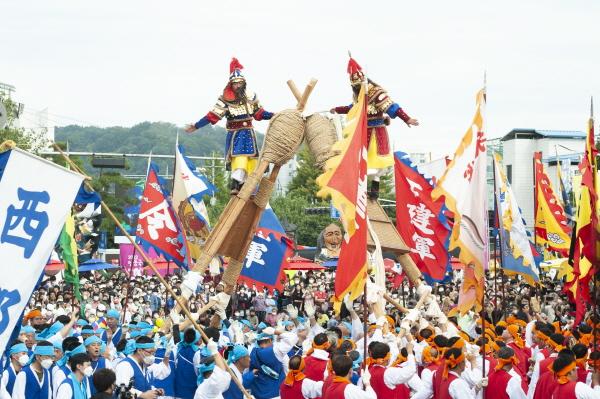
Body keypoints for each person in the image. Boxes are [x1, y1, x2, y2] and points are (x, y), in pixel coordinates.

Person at [330, 55, 419, 199]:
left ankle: (372, 191)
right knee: (364, 162)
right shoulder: (359, 97)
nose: (357, 88)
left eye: (358, 85)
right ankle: (368, 191)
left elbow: (392, 107)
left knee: (376, 164)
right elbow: (352, 108)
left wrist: (407, 119)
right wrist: (337, 109)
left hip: (377, 133)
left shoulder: (376, 93)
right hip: (363, 133)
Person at [185, 57, 273, 193]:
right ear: (231, 84)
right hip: (236, 135)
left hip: (249, 134)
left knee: (252, 159)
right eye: (235, 83)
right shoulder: (225, 100)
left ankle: (249, 184)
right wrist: (196, 126)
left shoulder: (250, 97)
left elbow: (260, 114)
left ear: (244, 83)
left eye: (240, 83)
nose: (238, 85)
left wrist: (276, 115)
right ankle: (236, 183)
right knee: (240, 158)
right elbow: (212, 116)